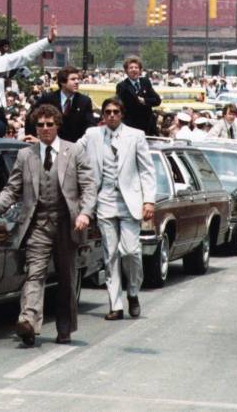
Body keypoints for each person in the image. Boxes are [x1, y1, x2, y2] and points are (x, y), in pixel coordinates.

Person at [0, 104, 96, 346]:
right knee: (35, 273)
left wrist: (85, 213)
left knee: (66, 278)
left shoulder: (74, 152)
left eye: (49, 124)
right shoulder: (26, 155)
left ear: (57, 125)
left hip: (67, 224)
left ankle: (64, 328)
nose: (44, 129)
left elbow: (89, 187)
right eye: (40, 125)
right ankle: (28, 322)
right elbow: (13, 189)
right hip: (38, 223)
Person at [77, 97, 154, 320]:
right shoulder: (93, 135)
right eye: (107, 112)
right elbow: (71, 150)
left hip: (130, 201)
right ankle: (116, 304)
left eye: (115, 112)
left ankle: (132, 292)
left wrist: (148, 200)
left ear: (122, 114)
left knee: (130, 251)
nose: (111, 115)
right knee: (110, 253)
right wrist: (43, 143)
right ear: (102, 115)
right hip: (105, 200)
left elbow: (147, 170)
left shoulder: (136, 136)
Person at [25, 66, 97, 143]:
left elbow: (90, 125)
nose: (77, 82)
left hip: (74, 148)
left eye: (78, 79)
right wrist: (32, 139)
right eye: (73, 79)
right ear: (63, 82)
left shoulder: (84, 101)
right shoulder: (48, 98)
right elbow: (31, 118)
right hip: (50, 146)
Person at [115, 56, 161, 135]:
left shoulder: (145, 82)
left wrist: (145, 101)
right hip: (131, 126)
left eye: (136, 67)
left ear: (140, 70)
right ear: (126, 71)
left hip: (148, 127)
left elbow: (157, 100)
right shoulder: (122, 86)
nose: (134, 70)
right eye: (131, 68)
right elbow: (120, 106)